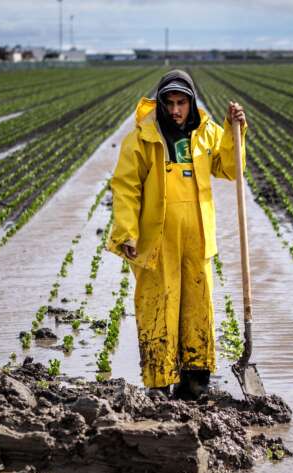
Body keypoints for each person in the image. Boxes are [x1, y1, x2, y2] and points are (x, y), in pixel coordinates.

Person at [108, 69, 247, 400]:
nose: (175, 110)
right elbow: (126, 188)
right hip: (155, 240)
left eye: (181, 103)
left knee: (198, 306)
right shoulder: (141, 139)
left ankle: (195, 382)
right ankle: (157, 383)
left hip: (197, 237)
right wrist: (126, 232)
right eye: (169, 103)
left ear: (191, 102)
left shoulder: (207, 133)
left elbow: (229, 168)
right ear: (160, 104)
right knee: (157, 307)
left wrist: (234, 130)